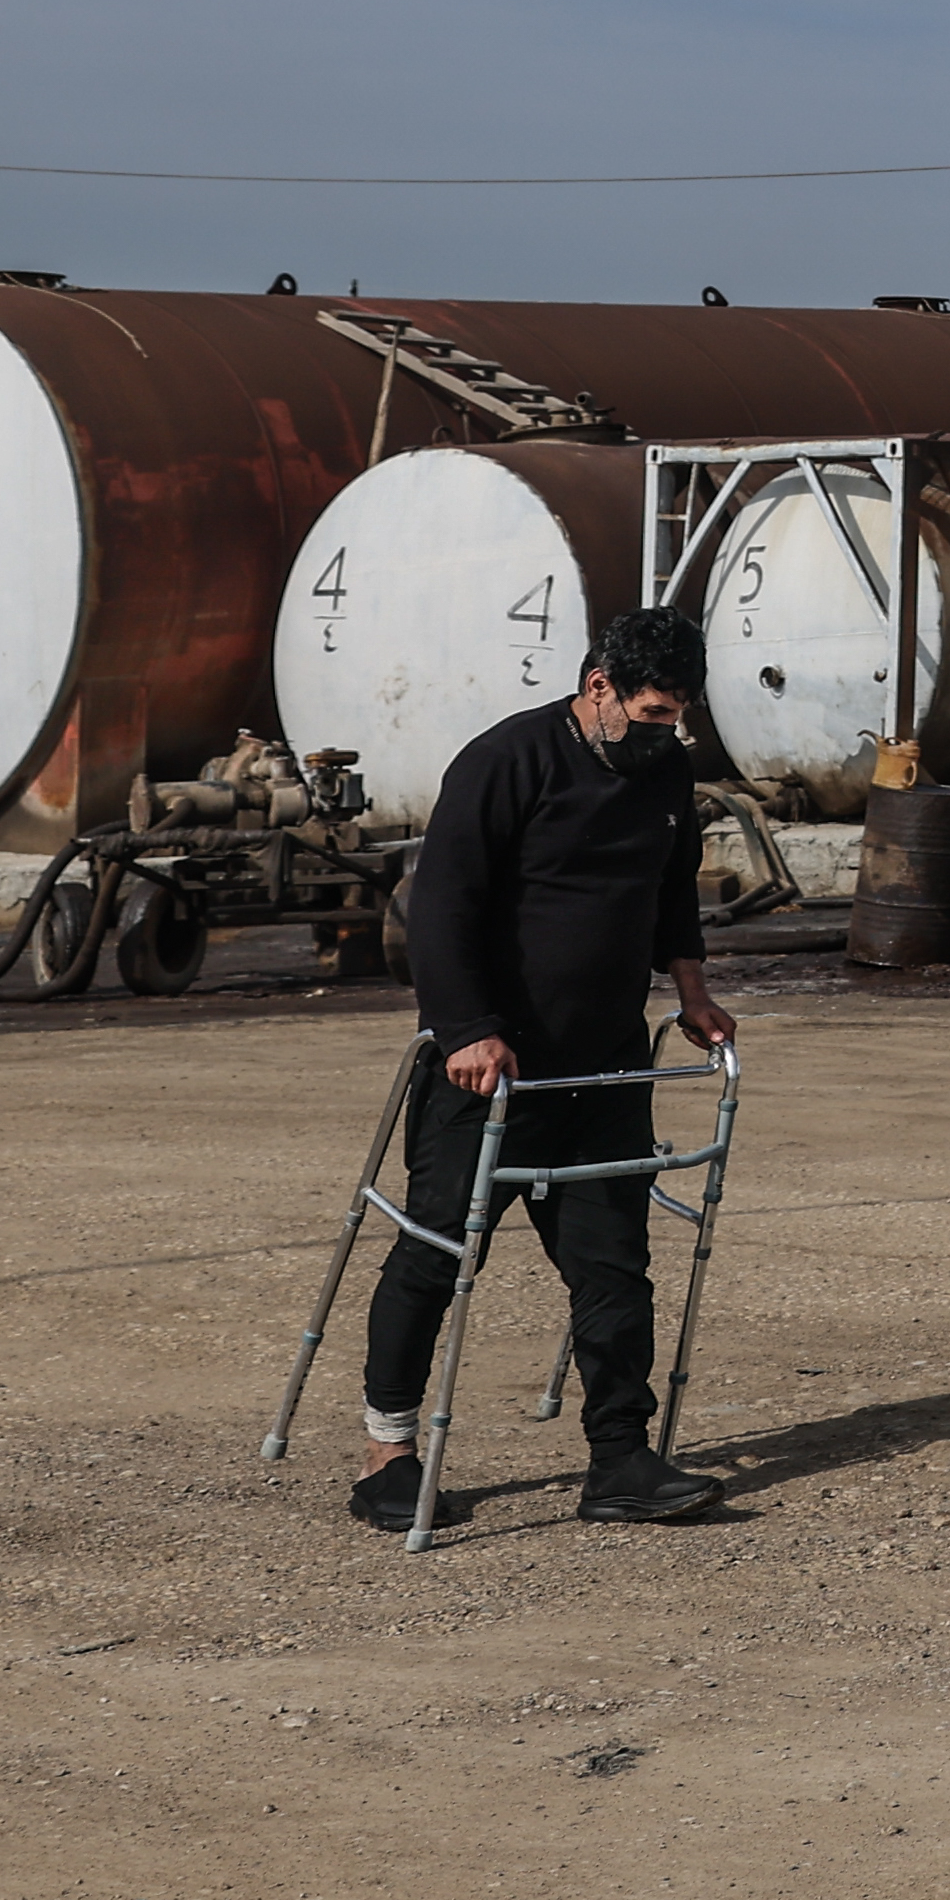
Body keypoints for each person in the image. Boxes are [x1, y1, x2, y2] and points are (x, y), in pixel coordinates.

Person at [350, 603, 740, 1529]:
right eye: (650, 714)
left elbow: (670, 889)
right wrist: (466, 1030)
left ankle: (619, 1460)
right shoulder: (505, 761)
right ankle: (387, 1453)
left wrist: (691, 992)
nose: (664, 735)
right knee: (440, 1248)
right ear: (598, 686)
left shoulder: (667, 772)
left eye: (676, 718)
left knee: (615, 1264)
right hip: (491, 1065)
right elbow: (439, 906)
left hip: (602, 1067)